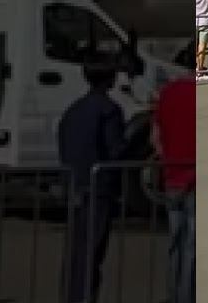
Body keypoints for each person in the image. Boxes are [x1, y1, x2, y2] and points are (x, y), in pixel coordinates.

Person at [58, 66, 126, 303]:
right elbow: (115, 151)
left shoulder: (73, 110)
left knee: (77, 251)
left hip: (75, 186)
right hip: (98, 188)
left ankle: (73, 296)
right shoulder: (109, 110)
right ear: (109, 78)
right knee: (93, 252)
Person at [153, 72, 195, 303]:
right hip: (195, 178)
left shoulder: (167, 92)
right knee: (190, 246)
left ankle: (174, 294)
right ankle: (186, 296)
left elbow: (156, 138)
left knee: (175, 244)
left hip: (173, 178)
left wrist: (167, 159)